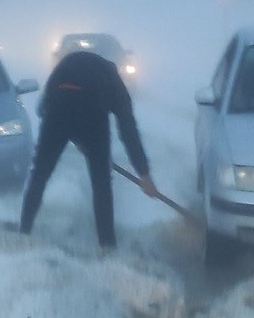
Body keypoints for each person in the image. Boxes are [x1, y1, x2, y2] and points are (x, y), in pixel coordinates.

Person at [19, 49, 160, 249]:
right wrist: (144, 174)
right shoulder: (114, 83)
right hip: (92, 116)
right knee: (101, 182)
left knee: (39, 174)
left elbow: (43, 108)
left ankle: (23, 232)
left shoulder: (67, 63)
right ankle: (107, 245)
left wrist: (72, 135)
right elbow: (128, 129)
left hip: (58, 110)